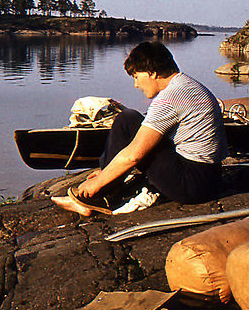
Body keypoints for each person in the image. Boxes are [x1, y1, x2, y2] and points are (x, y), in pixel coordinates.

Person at [52, 41, 228, 216]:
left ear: (151, 73)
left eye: (136, 77)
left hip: (192, 185)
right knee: (131, 119)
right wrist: (108, 172)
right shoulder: (187, 85)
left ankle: (94, 198)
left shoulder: (169, 99)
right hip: (209, 179)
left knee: (127, 120)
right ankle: (107, 180)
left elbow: (134, 155)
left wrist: (97, 183)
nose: (136, 85)